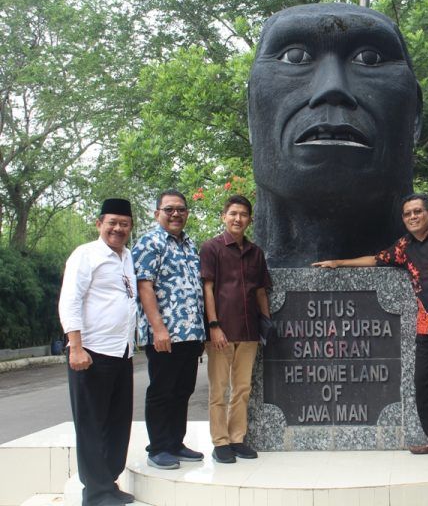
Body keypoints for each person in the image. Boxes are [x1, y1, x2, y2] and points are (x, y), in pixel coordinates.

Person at [247, 3, 423, 266]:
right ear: (251, 113)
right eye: (294, 57)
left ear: (415, 118)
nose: (333, 87)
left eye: (370, 58)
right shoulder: (222, 262)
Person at [312, 193, 428, 455]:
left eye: (418, 211)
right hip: (427, 323)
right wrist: (339, 263)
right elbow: (376, 259)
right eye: (408, 214)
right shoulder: (404, 246)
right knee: (423, 383)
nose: (413, 217)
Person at [58, 198, 137, 506]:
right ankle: (95, 492)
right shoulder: (85, 255)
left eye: (124, 224)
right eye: (112, 223)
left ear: (130, 227)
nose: (118, 229)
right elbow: (70, 301)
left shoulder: (127, 257)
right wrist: (75, 347)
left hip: (122, 352)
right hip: (91, 352)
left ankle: (109, 482)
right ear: (99, 223)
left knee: (117, 421)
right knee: (92, 424)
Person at [133, 189, 206, 470]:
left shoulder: (189, 244)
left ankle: (176, 442)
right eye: (169, 209)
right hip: (165, 334)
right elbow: (144, 285)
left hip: (191, 333)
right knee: (162, 389)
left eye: (181, 209)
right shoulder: (150, 243)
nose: (176, 214)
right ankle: (159, 447)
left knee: (183, 389)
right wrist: (158, 328)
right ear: (157, 213)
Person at [200, 195, 272, 464]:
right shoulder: (211, 248)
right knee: (219, 390)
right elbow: (208, 288)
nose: (237, 219)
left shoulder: (256, 252)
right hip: (222, 332)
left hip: (249, 331)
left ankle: (237, 438)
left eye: (243, 214)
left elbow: (261, 291)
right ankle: (220, 442)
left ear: (249, 220)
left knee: (242, 388)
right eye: (232, 213)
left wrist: (266, 324)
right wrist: (214, 325)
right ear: (224, 216)